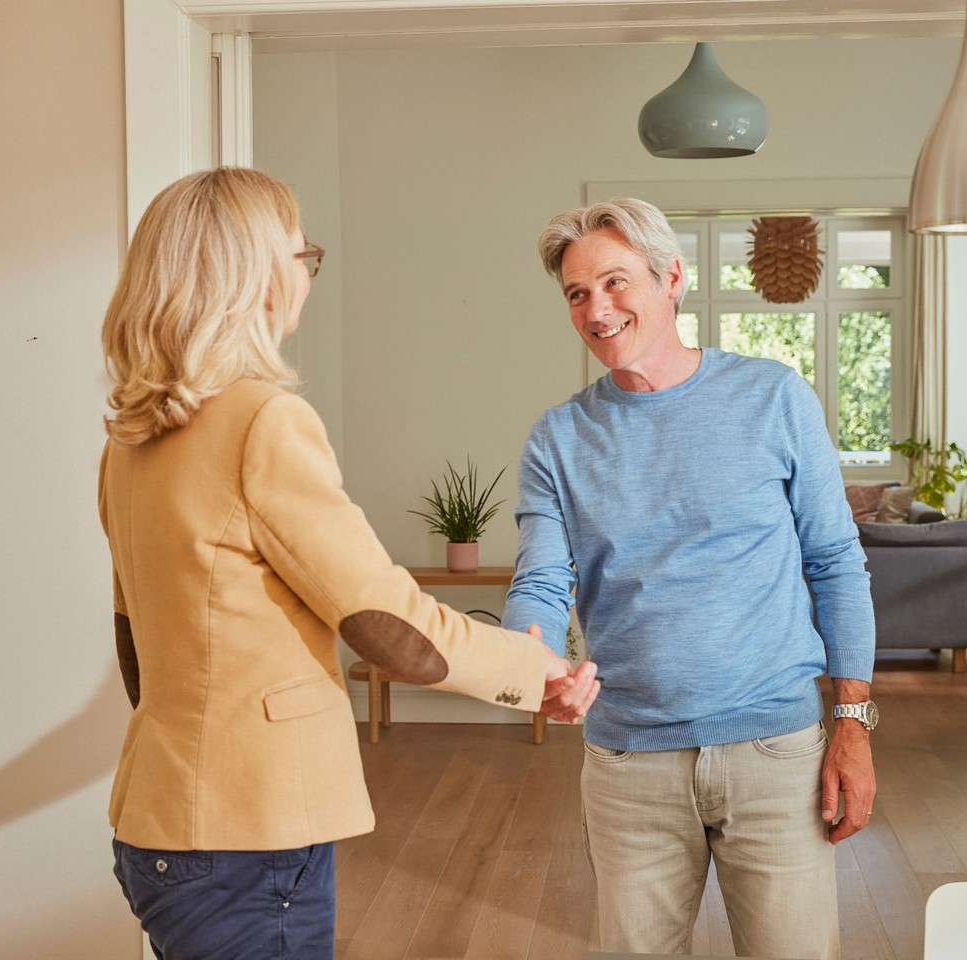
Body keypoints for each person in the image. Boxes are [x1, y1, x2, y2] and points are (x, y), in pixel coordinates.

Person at [96, 167, 598, 960]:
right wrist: (535, 669)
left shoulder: (133, 440)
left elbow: (135, 647)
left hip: (159, 827)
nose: (306, 277)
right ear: (259, 276)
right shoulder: (263, 420)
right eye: (302, 256)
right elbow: (382, 621)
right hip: (248, 840)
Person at [501, 197, 877, 960]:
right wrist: (531, 659)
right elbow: (539, 580)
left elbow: (836, 562)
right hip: (629, 766)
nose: (597, 309)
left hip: (776, 754)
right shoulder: (559, 439)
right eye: (577, 293)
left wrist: (853, 725)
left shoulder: (774, 398)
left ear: (671, 278)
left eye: (614, 283)